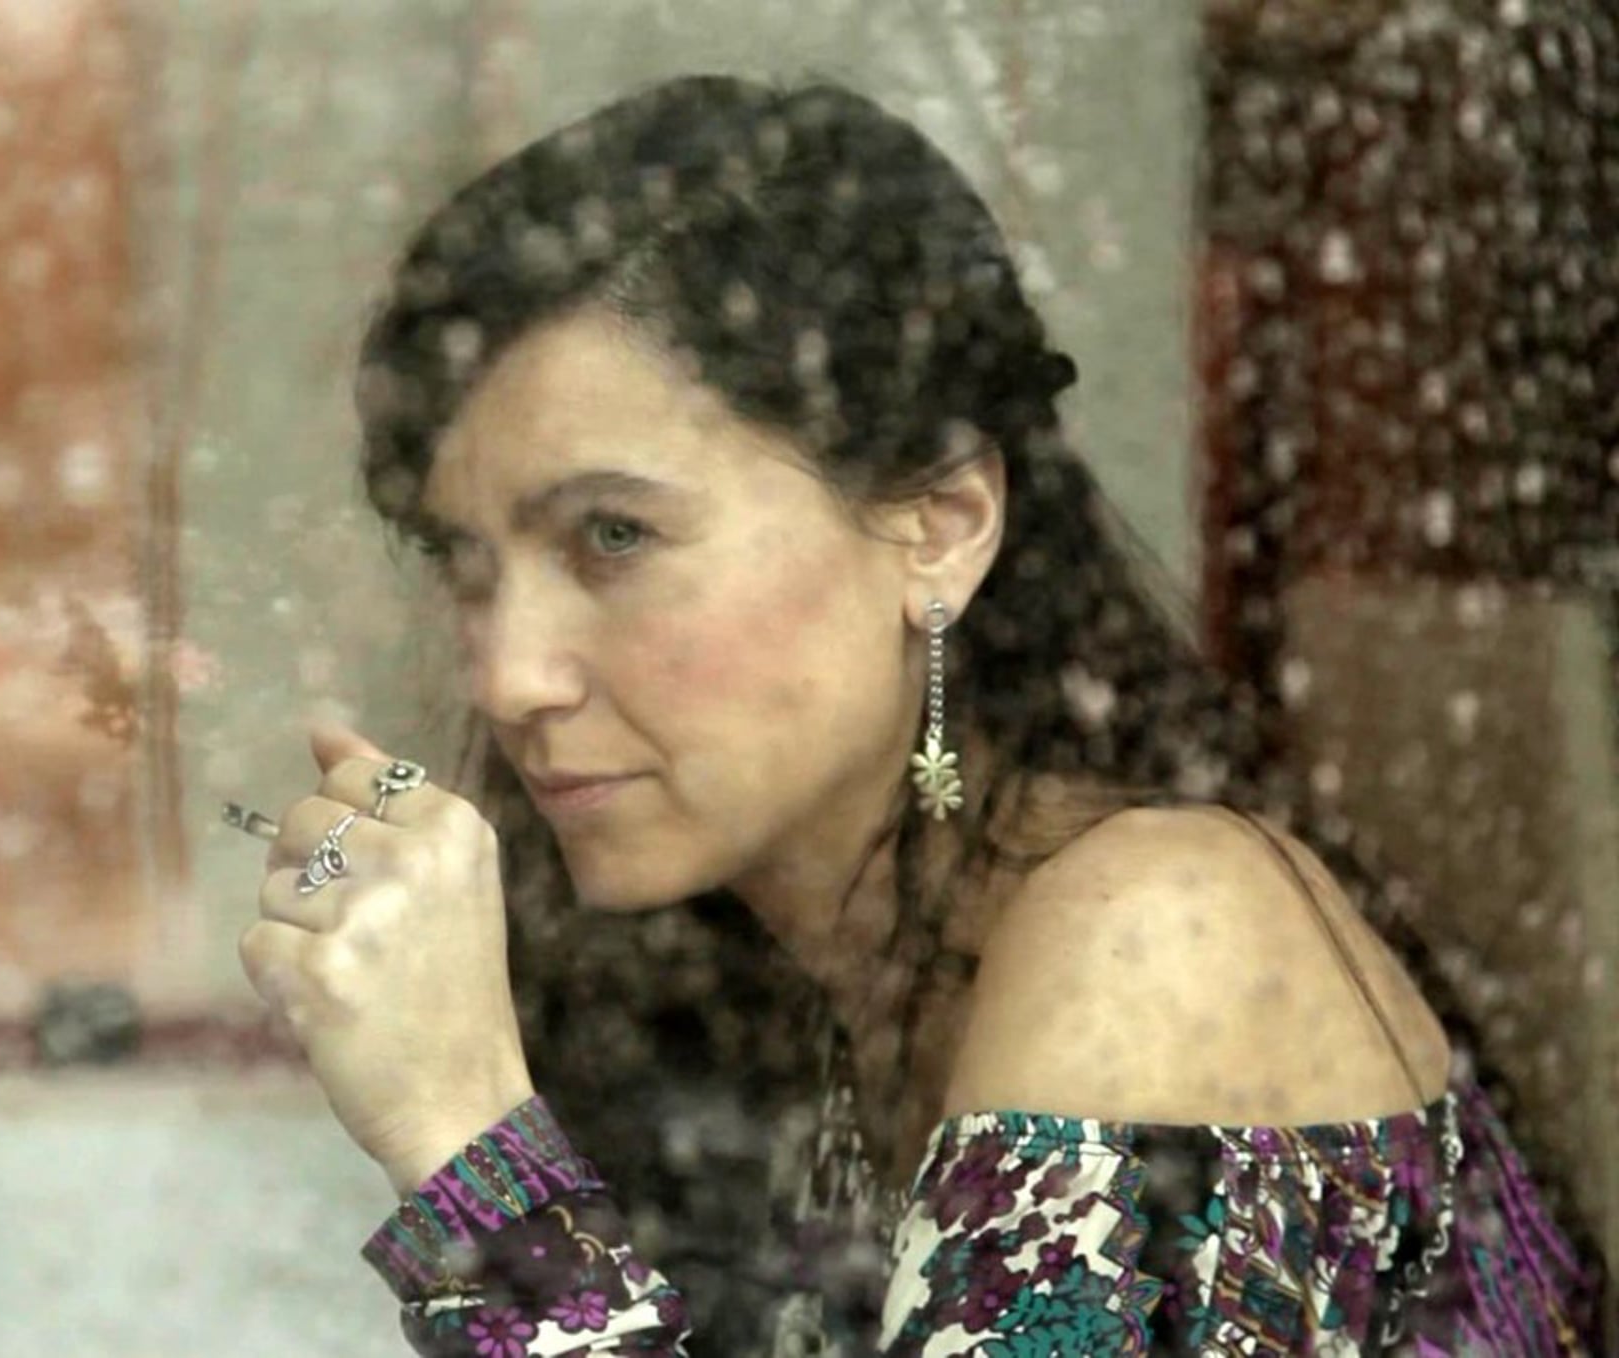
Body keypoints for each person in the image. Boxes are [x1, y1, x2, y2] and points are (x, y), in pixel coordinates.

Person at [234, 74, 1605, 1355]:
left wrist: (467, 1140)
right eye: (467, 565)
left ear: (939, 528)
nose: (509, 675)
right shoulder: (798, 992)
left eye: (613, 535)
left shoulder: (1158, 928)